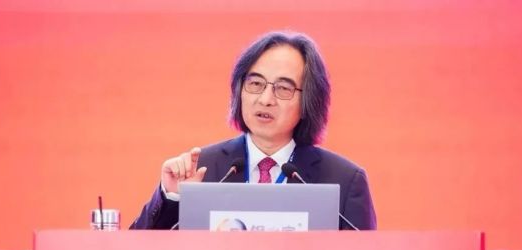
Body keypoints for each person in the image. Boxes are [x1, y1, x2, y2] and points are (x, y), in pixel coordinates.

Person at [130, 31, 376, 230]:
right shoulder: (200, 170)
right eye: (256, 83)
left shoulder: (344, 180)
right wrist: (172, 197)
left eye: (283, 88)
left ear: (308, 102)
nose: (265, 99)